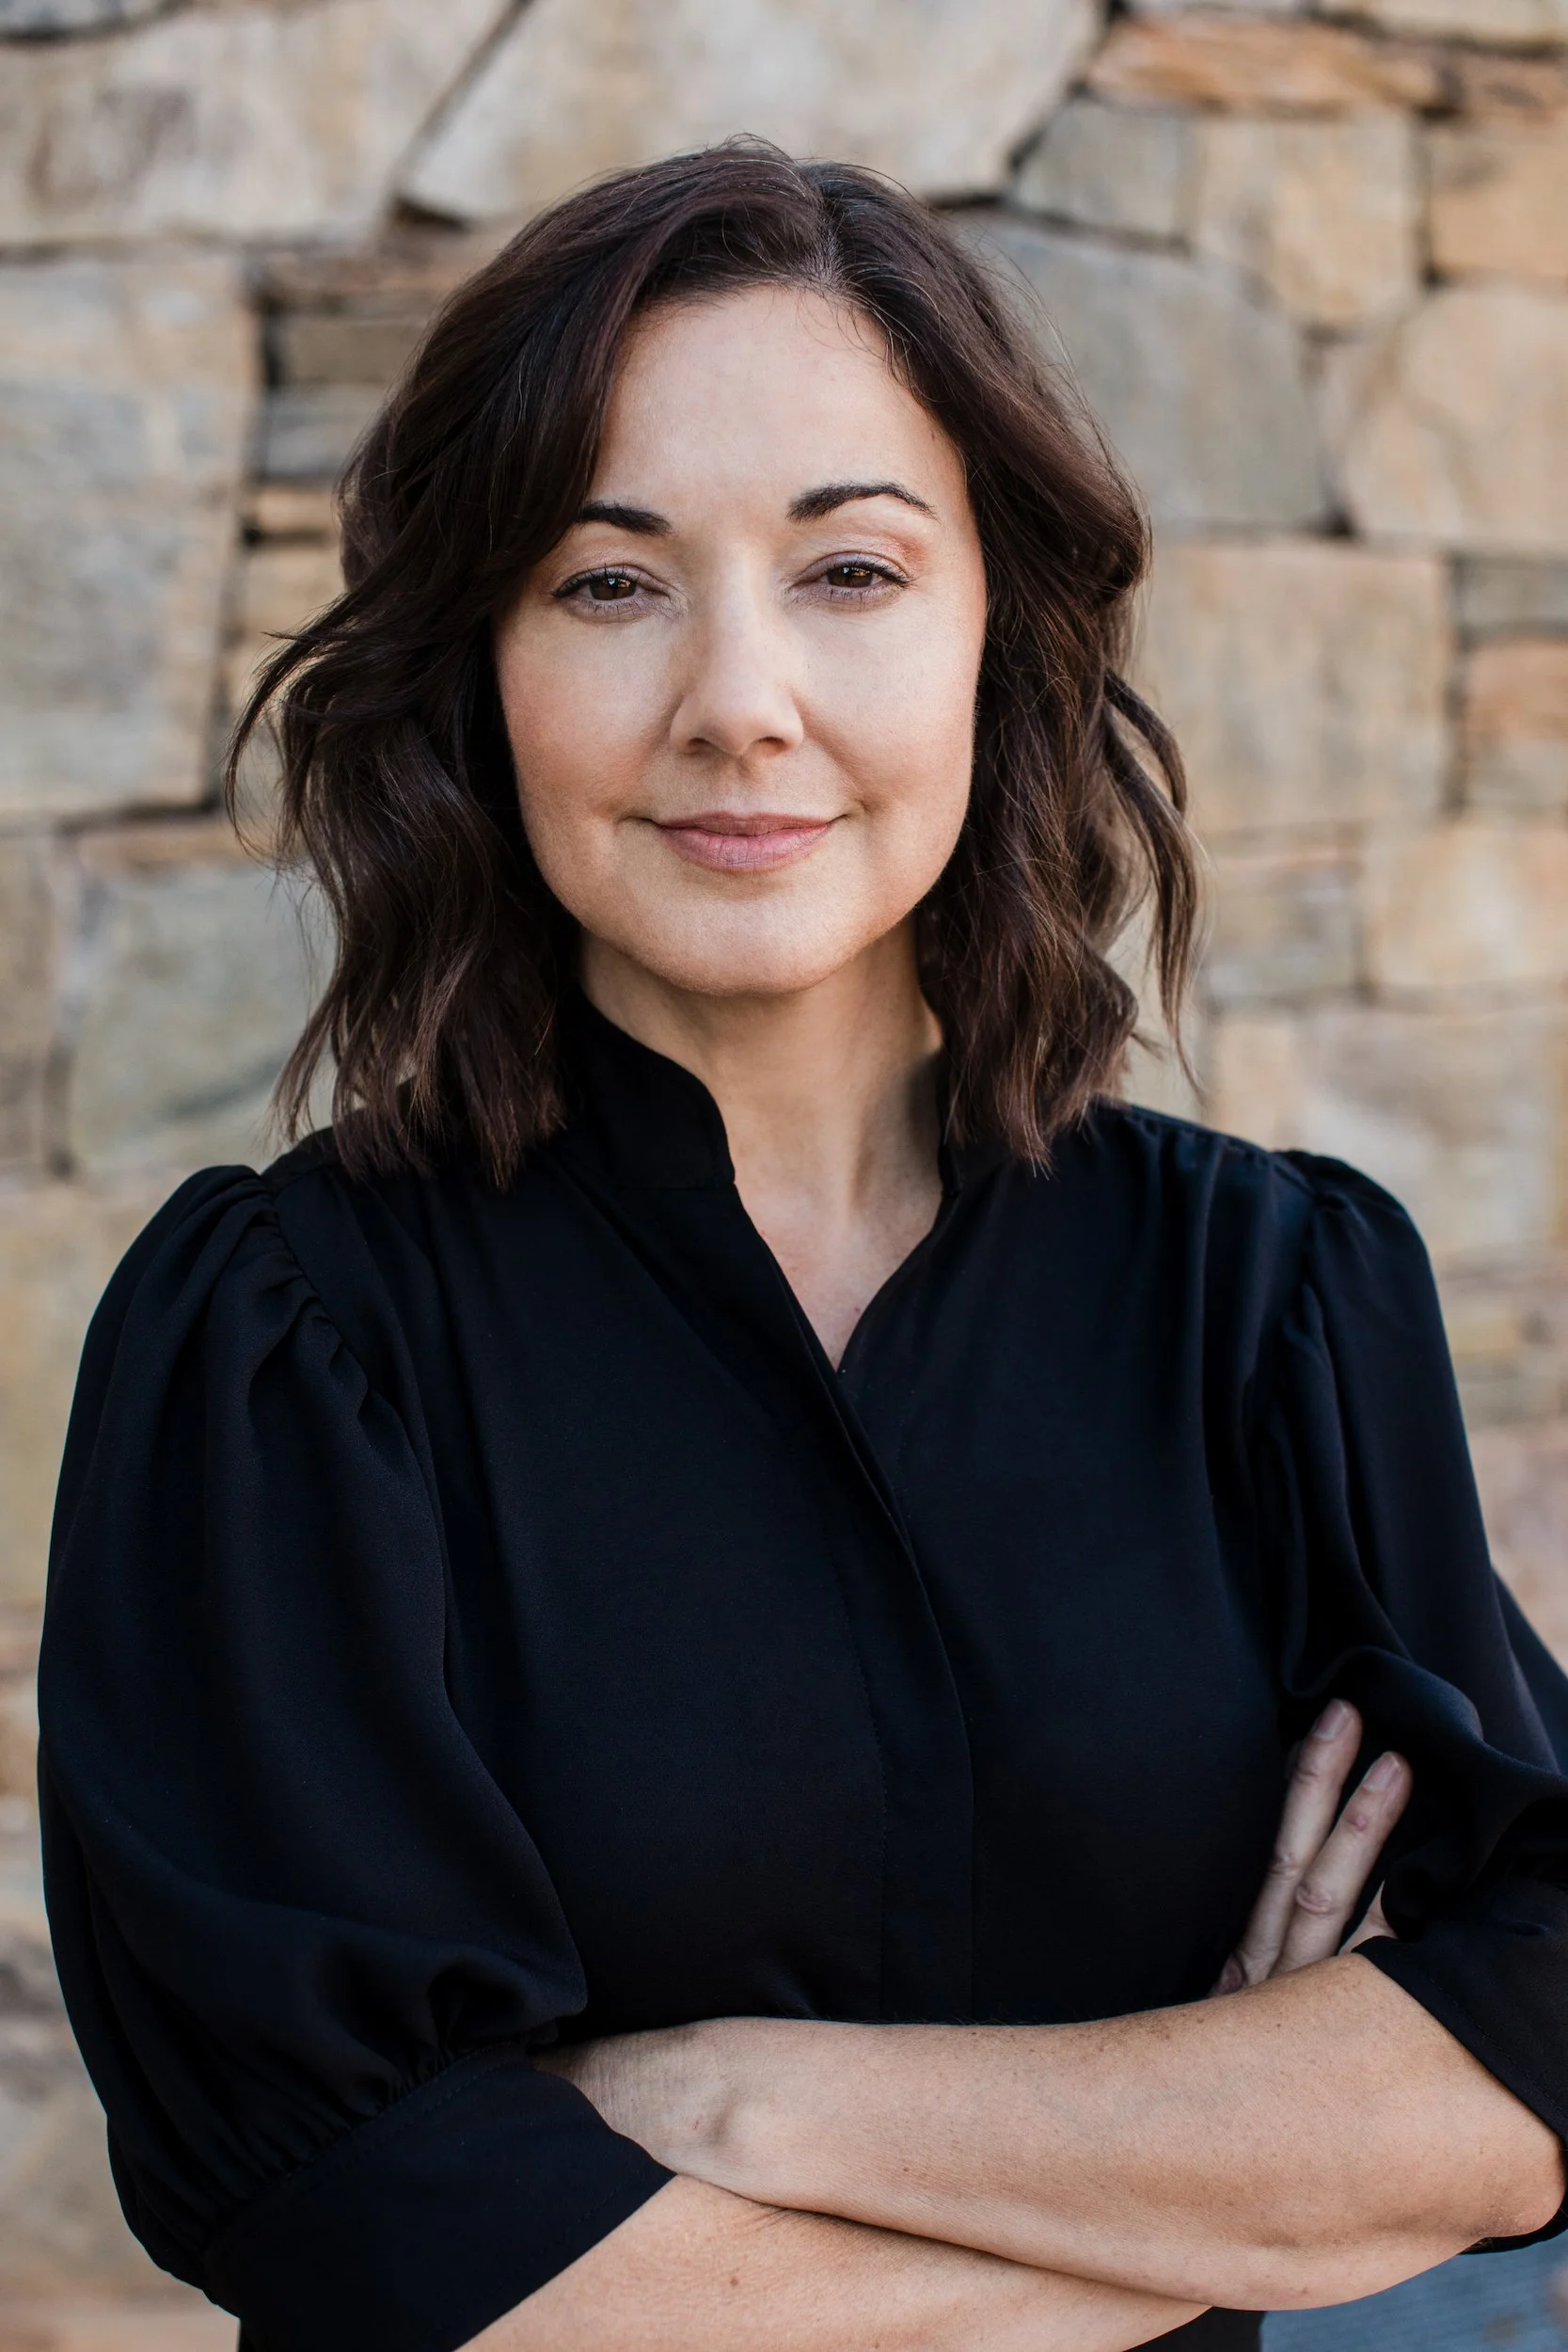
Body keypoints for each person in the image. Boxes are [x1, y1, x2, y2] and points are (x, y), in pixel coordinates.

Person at [39, 144, 1568, 2352]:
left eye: (848, 571)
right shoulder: (285, 1348)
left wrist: (736, 2098)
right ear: (475, 668)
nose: (738, 699)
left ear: (991, 636)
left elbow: (1522, 2046)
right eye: (605, 581)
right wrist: (1204, 2164)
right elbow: (376, 2223)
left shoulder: (1272, 1299)